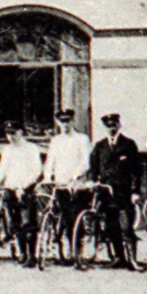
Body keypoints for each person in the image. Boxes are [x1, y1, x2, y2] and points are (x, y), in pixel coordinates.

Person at [90, 113, 142, 268]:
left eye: (113, 125)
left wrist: (135, 191)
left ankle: (132, 259)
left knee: (126, 226)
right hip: (106, 193)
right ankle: (119, 257)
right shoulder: (100, 146)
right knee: (111, 227)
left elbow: (136, 170)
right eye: (108, 126)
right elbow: (94, 168)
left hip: (124, 193)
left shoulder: (128, 144)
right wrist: (94, 183)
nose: (111, 128)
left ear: (119, 125)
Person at [0, 124, 45, 265]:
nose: (11, 137)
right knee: (14, 222)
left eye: (14, 133)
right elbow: (2, 170)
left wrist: (24, 186)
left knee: (28, 223)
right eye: (8, 133)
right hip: (11, 188)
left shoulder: (31, 148)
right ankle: (22, 253)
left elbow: (36, 170)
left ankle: (32, 255)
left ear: (21, 132)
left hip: (26, 189)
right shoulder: (7, 150)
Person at [41, 109, 93, 257]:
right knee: (62, 216)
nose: (65, 124)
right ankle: (63, 248)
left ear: (73, 121)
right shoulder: (56, 141)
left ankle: (77, 250)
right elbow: (50, 161)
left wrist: (75, 176)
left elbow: (86, 162)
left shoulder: (82, 139)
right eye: (62, 121)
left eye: (67, 121)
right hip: (60, 184)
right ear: (58, 123)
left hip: (77, 184)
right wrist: (47, 176)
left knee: (75, 216)